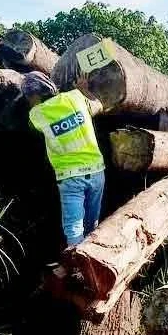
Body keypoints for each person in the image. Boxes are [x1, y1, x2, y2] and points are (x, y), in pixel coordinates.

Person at [25, 71, 106, 248]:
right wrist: (84, 89)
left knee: (74, 228)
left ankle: (77, 267)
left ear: (34, 95)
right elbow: (97, 105)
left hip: (70, 177)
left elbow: (32, 126)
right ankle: (91, 256)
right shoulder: (75, 97)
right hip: (97, 170)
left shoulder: (36, 114)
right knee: (92, 224)